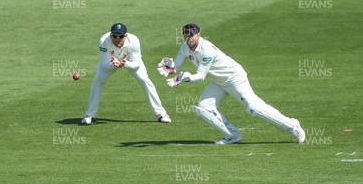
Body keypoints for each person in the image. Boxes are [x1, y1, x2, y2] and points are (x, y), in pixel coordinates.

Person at [158, 23, 305, 144]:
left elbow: (201, 77)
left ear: (198, 35)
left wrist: (185, 78)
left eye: (191, 35)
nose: (188, 38)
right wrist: (169, 67)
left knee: (254, 108)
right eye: (186, 35)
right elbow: (176, 65)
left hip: (234, 78)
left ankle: (293, 126)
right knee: (204, 108)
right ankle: (233, 135)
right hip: (219, 81)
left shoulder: (207, 50)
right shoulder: (185, 48)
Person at [81, 23, 172, 125]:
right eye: (115, 36)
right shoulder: (104, 41)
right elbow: (105, 64)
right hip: (111, 61)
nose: (117, 39)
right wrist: (113, 64)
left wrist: (126, 63)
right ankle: (90, 115)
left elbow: (137, 64)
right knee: (97, 80)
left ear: (126, 36)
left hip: (130, 61)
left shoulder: (133, 41)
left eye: (120, 36)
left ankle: (161, 114)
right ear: (111, 35)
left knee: (145, 80)